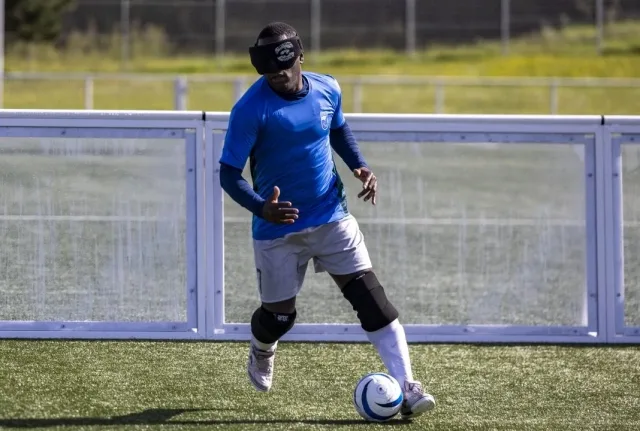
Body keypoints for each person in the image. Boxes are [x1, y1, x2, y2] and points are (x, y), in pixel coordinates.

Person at [218, 21, 436, 419]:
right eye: (270, 74)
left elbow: (337, 129)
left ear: (301, 58)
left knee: (372, 302)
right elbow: (227, 174)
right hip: (277, 228)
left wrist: (360, 166)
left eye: (284, 70)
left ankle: (408, 386)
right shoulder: (249, 109)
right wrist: (261, 207)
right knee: (279, 318)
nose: (279, 79)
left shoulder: (327, 88)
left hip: (331, 215)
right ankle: (262, 347)